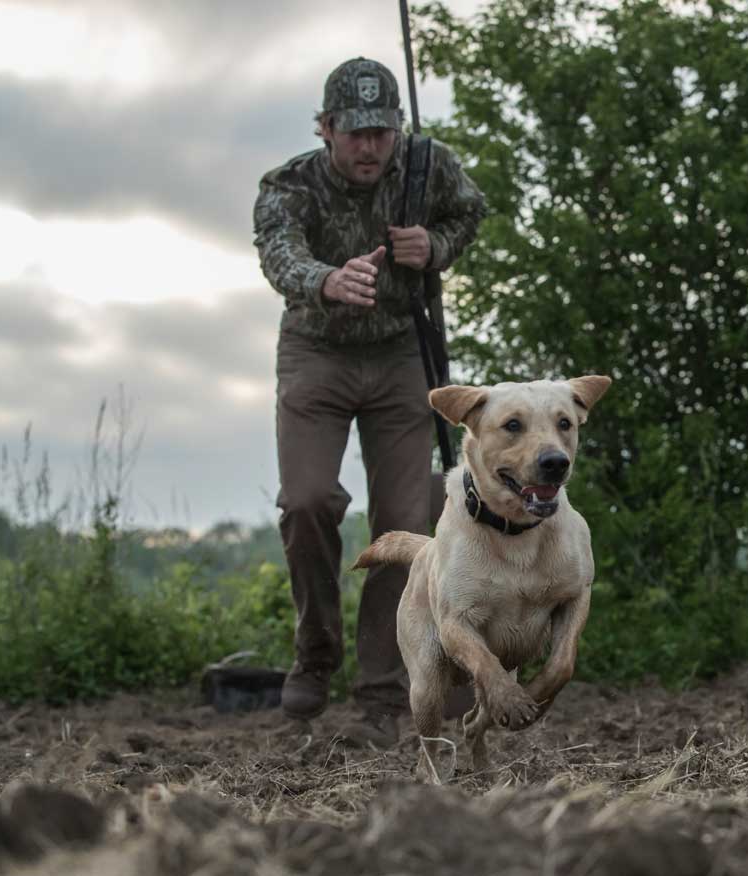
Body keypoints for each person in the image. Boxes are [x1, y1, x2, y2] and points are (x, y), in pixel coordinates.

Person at [252, 57, 486, 747]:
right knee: (307, 501)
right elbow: (277, 253)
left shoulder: (426, 166)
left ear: (398, 129)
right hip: (316, 352)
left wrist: (433, 247)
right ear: (325, 129)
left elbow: (467, 212)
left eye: (381, 132)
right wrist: (325, 280)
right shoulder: (288, 184)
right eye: (353, 133)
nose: (368, 147)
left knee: (406, 521)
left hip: (398, 353)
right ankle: (315, 651)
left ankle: (386, 684)